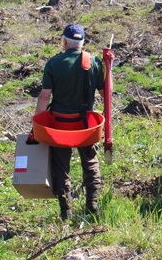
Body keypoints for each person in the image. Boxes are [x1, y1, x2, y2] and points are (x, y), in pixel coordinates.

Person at [35, 24, 104, 220]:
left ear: (64, 42)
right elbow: (105, 93)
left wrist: (37, 124)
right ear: (82, 43)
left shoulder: (54, 63)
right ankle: (92, 207)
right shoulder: (93, 62)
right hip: (85, 126)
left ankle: (66, 213)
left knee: (61, 167)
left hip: (60, 126)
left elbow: (44, 96)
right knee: (90, 163)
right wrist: (107, 70)